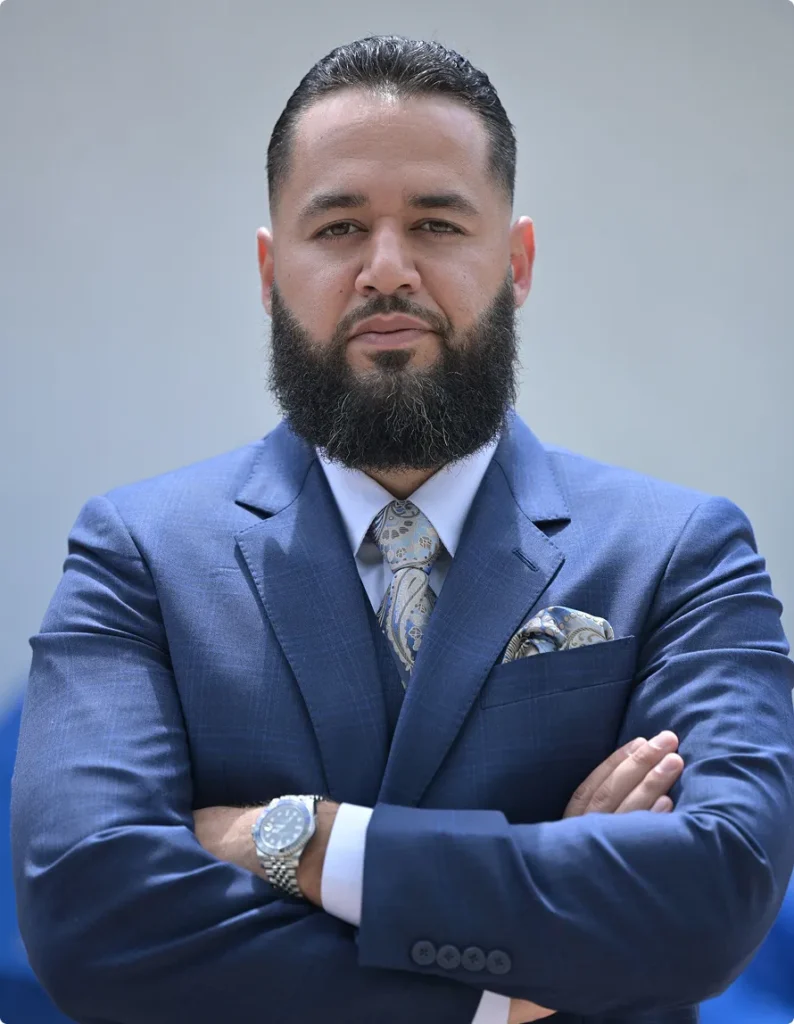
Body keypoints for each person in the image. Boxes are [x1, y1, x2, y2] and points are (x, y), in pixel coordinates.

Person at [11, 34, 794, 1024]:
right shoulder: (138, 556)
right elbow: (89, 915)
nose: (387, 269)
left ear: (514, 261)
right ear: (268, 269)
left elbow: (711, 894)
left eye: (435, 222)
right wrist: (507, 985)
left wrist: (295, 839)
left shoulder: (680, 552)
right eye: (337, 227)